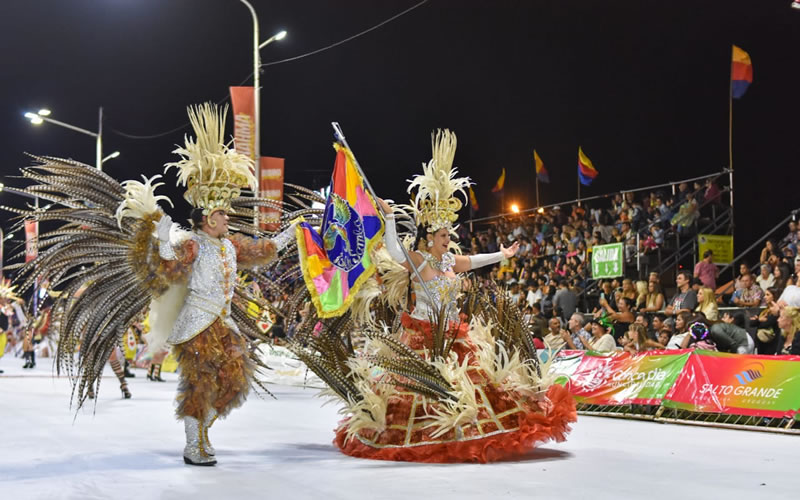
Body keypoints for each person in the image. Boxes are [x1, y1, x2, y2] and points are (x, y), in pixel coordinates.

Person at [315, 129, 576, 463]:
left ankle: (472, 432)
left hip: (454, 335)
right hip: (422, 338)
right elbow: (394, 250)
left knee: (479, 391)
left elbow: (476, 261)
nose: (447, 237)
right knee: (418, 399)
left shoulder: (450, 260)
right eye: (442, 234)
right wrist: (392, 218)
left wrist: (504, 254)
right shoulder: (419, 260)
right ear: (429, 237)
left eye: (448, 233)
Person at [750, 287, 783, 355]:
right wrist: (759, 320)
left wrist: (758, 321)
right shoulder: (764, 311)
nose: (765, 297)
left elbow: (767, 323)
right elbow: (751, 323)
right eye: (765, 295)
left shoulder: (778, 312)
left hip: (772, 345)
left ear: (774, 296)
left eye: (768, 295)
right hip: (760, 344)